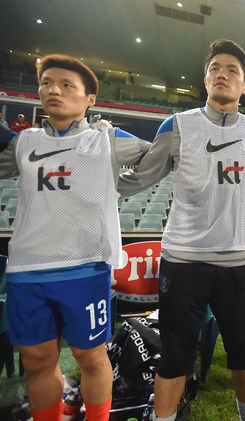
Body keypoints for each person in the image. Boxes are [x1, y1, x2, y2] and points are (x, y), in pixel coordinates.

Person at [119, 39, 245, 421]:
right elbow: (141, 177)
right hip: (183, 262)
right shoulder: (178, 125)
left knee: (243, 351)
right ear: (205, 79)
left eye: (232, 70)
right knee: (175, 353)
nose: (223, 74)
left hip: (237, 263)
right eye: (215, 68)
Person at [0, 54, 149, 421]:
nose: (54, 90)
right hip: (28, 270)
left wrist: (119, 186)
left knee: (90, 357)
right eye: (47, 83)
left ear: (89, 99)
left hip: (85, 268)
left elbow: (157, 156)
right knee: (37, 360)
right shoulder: (24, 142)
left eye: (67, 85)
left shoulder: (106, 139)